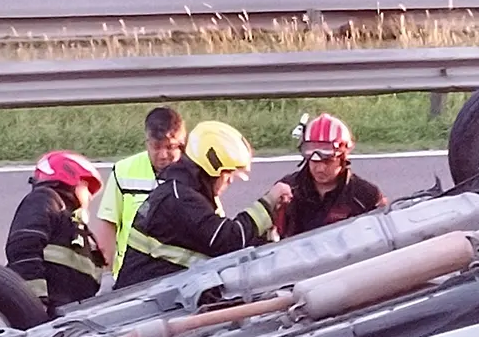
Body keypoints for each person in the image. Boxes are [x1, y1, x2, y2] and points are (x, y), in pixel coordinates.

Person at [113, 120, 292, 290]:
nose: (230, 180)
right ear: (211, 169)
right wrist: (268, 203)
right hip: (140, 303)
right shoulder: (180, 200)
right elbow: (227, 240)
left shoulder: (182, 191)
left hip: (153, 293)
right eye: (228, 173)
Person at [90, 106, 187, 284]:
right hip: (131, 278)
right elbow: (108, 226)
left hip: (179, 277)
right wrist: (107, 277)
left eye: (171, 147)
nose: (163, 155)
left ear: (183, 142)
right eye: (156, 147)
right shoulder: (124, 171)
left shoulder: (195, 173)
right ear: (147, 142)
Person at [6, 150, 109, 316]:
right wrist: (34, 302)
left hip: (68, 314)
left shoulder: (74, 225)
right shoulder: (46, 200)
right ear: (70, 178)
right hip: (45, 313)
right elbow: (24, 247)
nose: (90, 197)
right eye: (86, 187)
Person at [272, 113, 387, 239]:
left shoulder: (366, 196)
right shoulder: (285, 191)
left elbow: (383, 240)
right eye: (314, 161)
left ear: (343, 158)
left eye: (328, 162)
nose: (320, 169)